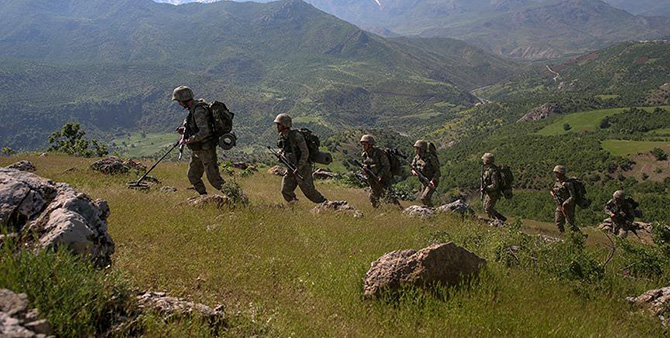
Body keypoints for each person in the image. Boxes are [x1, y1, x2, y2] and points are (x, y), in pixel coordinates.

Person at [173, 86, 226, 196]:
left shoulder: (198, 111)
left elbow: (204, 132)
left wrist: (188, 140)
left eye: (179, 101)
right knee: (193, 175)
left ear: (184, 100)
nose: (178, 104)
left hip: (206, 149)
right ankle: (204, 198)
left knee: (214, 180)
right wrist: (185, 131)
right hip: (197, 149)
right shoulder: (193, 110)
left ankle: (239, 198)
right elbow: (197, 127)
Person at [274, 113, 327, 204]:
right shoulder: (282, 136)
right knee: (285, 190)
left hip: (303, 167)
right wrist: (281, 155)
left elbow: (305, 152)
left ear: (285, 125)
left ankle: (326, 205)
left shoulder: (296, 136)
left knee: (309, 192)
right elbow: (285, 149)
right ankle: (296, 207)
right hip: (290, 167)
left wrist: (299, 167)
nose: (277, 126)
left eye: (279, 124)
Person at [360, 135, 400, 208]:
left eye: (365, 144)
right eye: (362, 144)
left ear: (370, 145)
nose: (363, 146)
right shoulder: (365, 154)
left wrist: (380, 175)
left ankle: (398, 209)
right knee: (373, 197)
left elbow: (386, 166)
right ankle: (377, 211)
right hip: (372, 179)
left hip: (383, 179)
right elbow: (365, 165)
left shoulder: (379, 153)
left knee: (388, 196)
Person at [550, 165, 580, 233]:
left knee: (569, 225)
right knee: (558, 222)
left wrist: (565, 203)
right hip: (560, 204)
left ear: (561, 173)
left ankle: (580, 236)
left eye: (556, 173)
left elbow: (573, 196)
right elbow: (555, 191)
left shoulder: (568, 183)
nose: (555, 174)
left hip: (568, 206)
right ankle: (563, 235)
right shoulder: (557, 182)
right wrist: (552, 193)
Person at [411, 140, 440, 207]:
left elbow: (437, 171)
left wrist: (433, 180)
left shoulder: (431, 158)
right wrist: (414, 171)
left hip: (432, 181)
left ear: (422, 149)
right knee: (424, 200)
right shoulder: (417, 157)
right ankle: (431, 211)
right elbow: (413, 166)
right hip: (424, 181)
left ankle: (433, 210)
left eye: (417, 148)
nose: (416, 150)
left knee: (424, 197)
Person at [480, 153, 506, 222]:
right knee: (485, 207)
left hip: (493, 193)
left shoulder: (493, 172)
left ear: (487, 161)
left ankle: (498, 221)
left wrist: (486, 188)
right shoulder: (489, 169)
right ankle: (498, 219)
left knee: (488, 208)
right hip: (489, 192)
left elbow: (495, 185)